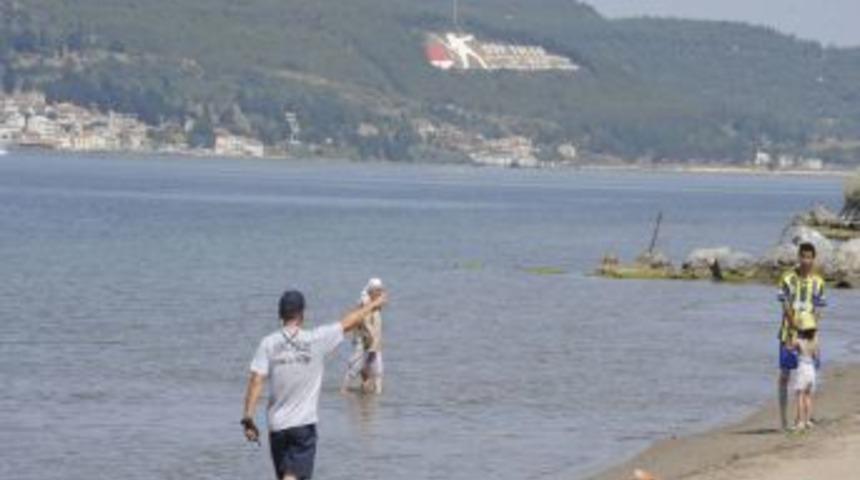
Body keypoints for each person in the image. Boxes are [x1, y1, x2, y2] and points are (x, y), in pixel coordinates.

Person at [241, 288, 388, 480]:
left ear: (280, 315)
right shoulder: (315, 339)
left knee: (288, 475)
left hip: (277, 428)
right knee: (292, 477)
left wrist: (248, 418)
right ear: (302, 314)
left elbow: (256, 380)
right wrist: (373, 305)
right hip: (303, 426)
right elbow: (348, 323)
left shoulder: (267, 343)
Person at [776, 242, 826, 431]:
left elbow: (818, 311)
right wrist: (793, 328)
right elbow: (785, 306)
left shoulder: (819, 282)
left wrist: (815, 335)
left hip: (810, 335)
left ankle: (806, 417)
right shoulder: (787, 278)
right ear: (798, 257)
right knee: (785, 375)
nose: (806, 260)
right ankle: (783, 420)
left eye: (809, 257)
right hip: (788, 333)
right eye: (803, 256)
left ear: (813, 258)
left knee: (809, 374)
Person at [341, 278, 386, 394]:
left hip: (374, 340)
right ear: (371, 291)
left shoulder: (375, 300)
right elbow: (364, 321)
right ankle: (344, 389)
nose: (380, 293)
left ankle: (374, 393)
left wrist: (375, 339)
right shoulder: (365, 301)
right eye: (378, 290)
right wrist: (370, 336)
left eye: (381, 290)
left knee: (377, 369)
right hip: (362, 338)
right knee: (356, 366)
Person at [789, 328, 819, 431]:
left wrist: (793, 334)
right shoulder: (814, 343)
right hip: (811, 369)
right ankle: (808, 421)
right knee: (808, 396)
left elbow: (789, 348)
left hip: (803, 368)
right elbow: (815, 356)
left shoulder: (799, 341)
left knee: (799, 396)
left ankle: (800, 422)